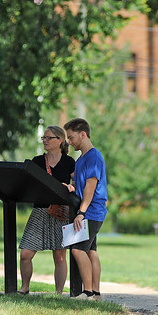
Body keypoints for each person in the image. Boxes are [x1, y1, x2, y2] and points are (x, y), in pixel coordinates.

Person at [18, 125, 76, 295]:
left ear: (59, 141)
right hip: (40, 211)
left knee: (59, 256)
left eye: (48, 138)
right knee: (25, 254)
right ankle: (25, 287)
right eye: (44, 138)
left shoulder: (69, 162)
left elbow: (79, 182)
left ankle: (58, 292)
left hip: (60, 213)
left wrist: (72, 187)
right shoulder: (36, 161)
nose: (45, 141)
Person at [63, 118, 107, 300]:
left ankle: (87, 292)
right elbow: (82, 185)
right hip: (90, 210)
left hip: (92, 211)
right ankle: (96, 294)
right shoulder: (81, 159)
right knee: (91, 251)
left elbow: (91, 186)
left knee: (77, 250)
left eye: (71, 138)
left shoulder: (94, 157)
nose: (70, 142)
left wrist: (81, 213)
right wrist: (73, 186)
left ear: (83, 134)